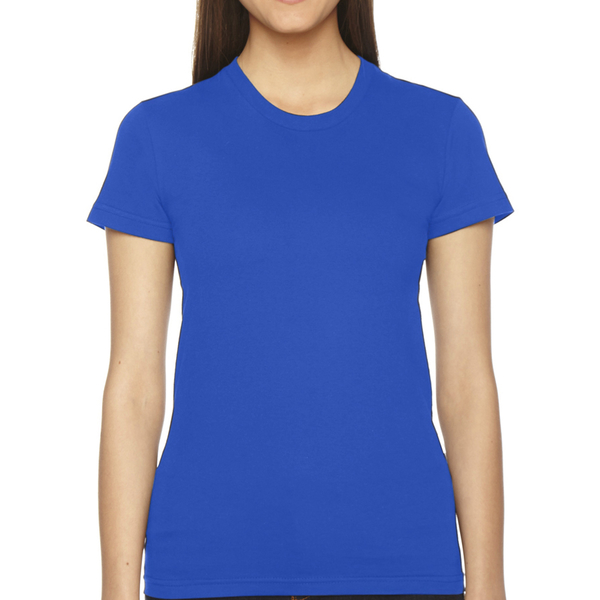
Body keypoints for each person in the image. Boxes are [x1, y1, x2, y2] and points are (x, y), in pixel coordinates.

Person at [86, 1, 514, 600]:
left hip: (403, 565)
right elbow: (133, 388)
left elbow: (466, 381)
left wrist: (489, 585)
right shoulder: (156, 136)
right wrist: (116, 590)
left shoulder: (441, 130)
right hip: (204, 571)